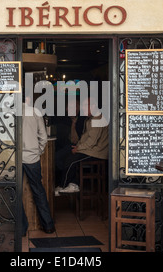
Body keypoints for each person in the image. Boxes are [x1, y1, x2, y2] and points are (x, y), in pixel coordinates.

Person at [56, 96, 109, 193]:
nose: (82, 108)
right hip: (90, 150)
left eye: (85, 106)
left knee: (71, 160)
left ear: (93, 106)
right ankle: (72, 184)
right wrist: (78, 147)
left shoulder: (97, 119)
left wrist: (78, 149)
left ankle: (63, 186)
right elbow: (84, 139)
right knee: (66, 156)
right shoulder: (90, 119)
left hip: (97, 153)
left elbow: (91, 142)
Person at [21, 94, 55, 235]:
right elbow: (43, 136)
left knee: (14, 193)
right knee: (38, 191)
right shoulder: (35, 112)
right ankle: (48, 226)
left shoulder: (9, 111)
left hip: (14, 159)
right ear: (28, 99)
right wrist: (38, 151)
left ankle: (21, 229)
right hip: (32, 158)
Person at [54, 96, 86, 196]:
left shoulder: (83, 120)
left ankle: (68, 184)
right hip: (68, 147)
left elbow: (79, 139)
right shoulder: (63, 120)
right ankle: (67, 183)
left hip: (81, 148)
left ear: (78, 108)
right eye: (69, 107)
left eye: (75, 106)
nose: (68, 109)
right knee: (57, 157)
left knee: (65, 158)